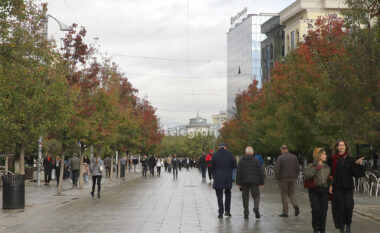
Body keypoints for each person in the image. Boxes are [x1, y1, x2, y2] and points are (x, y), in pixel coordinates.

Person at [329, 140, 365, 233]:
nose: (341, 147)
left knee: (349, 207)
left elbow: (356, 173)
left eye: (343, 145)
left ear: (346, 147)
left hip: (348, 188)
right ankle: (341, 227)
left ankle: (348, 225)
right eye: (339, 145)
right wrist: (330, 185)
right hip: (337, 188)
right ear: (337, 147)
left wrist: (358, 164)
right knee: (339, 207)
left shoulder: (350, 159)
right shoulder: (333, 159)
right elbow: (330, 174)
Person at [304, 148, 332, 233]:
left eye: (325, 154)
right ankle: (315, 227)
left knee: (324, 211)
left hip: (325, 190)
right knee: (316, 210)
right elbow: (307, 176)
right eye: (324, 154)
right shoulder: (311, 165)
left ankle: (322, 229)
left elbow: (329, 178)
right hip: (314, 190)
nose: (325, 155)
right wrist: (317, 168)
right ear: (318, 155)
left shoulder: (327, 166)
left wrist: (331, 184)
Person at [236, 147, 264, 219]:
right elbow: (261, 172)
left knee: (245, 197)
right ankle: (256, 207)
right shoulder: (256, 161)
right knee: (256, 196)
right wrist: (261, 182)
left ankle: (246, 213)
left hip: (244, 182)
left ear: (245, 153)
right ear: (252, 153)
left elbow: (238, 173)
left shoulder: (241, 161)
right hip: (254, 182)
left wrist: (238, 183)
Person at [274, 145, 300, 217]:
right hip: (293, 178)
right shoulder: (294, 157)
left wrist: (277, 177)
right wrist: (296, 176)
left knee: (284, 195)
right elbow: (298, 168)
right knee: (291, 193)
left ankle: (285, 212)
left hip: (283, 178)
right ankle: (296, 206)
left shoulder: (280, 157)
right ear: (287, 149)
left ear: (282, 150)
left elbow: (277, 169)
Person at [212, 142, 237, 218]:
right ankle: (227, 211)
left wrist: (215, 174)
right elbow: (234, 165)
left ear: (219, 147)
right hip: (227, 177)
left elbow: (212, 166)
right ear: (225, 147)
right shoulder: (230, 154)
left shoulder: (215, 154)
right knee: (228, 194)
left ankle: (220, 212)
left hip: (218, 178)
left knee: (219, 195)